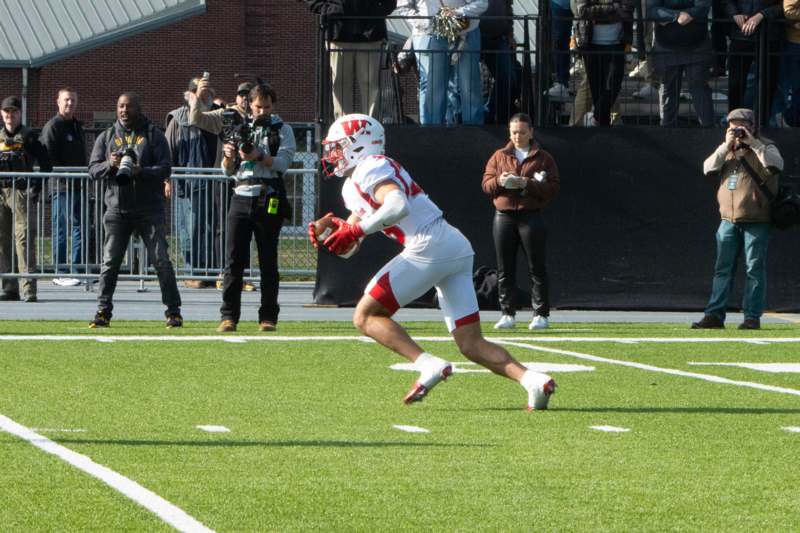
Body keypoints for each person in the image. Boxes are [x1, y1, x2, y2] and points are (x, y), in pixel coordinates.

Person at [313, 113, 556, 409]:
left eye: (338, 146)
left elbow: (397, 205)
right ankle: (533, 380)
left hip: (427, 244)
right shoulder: (353, 185)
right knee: (471, 343)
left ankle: (428, 364)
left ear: (358, 144)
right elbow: (352, 246)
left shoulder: (371, 166)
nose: (332, 154)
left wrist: (355, 229)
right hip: (451, 245)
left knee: (364, 316)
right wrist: (333, 236)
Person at [87, 93, 182, 328]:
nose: (124, 111)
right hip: (117, 210)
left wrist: (142, 171)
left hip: (149, 209)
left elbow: (166, 168)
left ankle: (173, 311)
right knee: (110, 262)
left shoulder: (153, 135)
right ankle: (102, 311)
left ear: (139, 109)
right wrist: (110, 164)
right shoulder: (107, 136)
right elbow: (92, 169)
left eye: (129, 106)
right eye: (120, 106)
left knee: (161, 260)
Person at [692, 108, 783, 330]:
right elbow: (707, 168)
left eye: (742, 125)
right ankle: (714, 315)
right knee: (722, 269)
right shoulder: (728, 149)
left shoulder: (766, 146)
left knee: (754, 269)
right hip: (728, 220)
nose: (737, 130)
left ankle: (752, 317)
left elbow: (776, 165)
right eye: (733, 126)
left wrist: (754, 144)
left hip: (757, 219)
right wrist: (726, 145)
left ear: (752, 126)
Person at [216, 83, 295, 333]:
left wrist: (259, 156)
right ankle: (229, 317)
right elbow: (227, 170)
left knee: (268, 261)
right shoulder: (239, 128)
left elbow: (283, 164)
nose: (262, 111)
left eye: (267, 107)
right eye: (258, 106)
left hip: (267, 196)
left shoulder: (282, 130)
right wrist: (228, 155)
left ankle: (268, 317)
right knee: (233, 261)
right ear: (249, 104)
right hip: (240, 196)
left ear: (274, 106)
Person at [481, 113, 560, 330]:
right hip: (504, 217)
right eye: (514, 132)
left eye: (522, 132)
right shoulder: (499, 156)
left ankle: (541, 314)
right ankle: (507, 313)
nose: (517, 136)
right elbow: (486, 185)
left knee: (537, 267)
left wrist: (526, 184)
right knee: (505, 267)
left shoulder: (544, 158)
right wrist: (500, 180)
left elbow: (553, 188)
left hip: (531, 216)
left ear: (531, 132)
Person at [165, 77, 222, 289]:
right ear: (190, 94)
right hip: (187, 182)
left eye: (208, 93)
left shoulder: (216, 115)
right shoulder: (178, 118)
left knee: (212, 227)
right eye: (201, 93)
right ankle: (193, 271)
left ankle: (210, 271)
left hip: (215, 182)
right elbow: (168, 150)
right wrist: (167, 180)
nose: (206, 97)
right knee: (191, 228)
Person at [395, 0, 488, 124]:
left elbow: (482, 3)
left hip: (466, 32)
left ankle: (474, 130)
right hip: (430, 34)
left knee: (469, 84)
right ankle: (431, 131)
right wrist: (426, 22)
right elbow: (403, 6)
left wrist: (457, 13)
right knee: (433, 86)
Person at [307, 0, 398, 118]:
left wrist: (376, 12)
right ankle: (344, 127)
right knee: (341, 84)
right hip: (339, 36)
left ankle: (369, 126)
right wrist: (328, 9)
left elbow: (391, 3)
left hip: (371, 36)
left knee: (370, 85)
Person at [0, 96, 51, 302]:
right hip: (1, 192)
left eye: (14, 112)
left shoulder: (29, 137)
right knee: (2, 241)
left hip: (21, 192)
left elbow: (46, 164)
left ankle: (28, 289)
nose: (10, 116)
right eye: (6, 112)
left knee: (23, 240)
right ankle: (9, 287)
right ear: (2, 114)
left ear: (20, 114)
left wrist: (36, 188)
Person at [40, 87, 87, 286]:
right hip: (60, 186)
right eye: (66, 100)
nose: (70, 104)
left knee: (79, 227)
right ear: (58, 102)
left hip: (79, 185)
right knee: (60, 228)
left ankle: (77, 270)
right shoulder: (53, 126)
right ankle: (60, 271)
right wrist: (62, 176)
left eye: (73, 101)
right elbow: (48, 157)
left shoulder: (76, 126)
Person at [648, 0, 715, 127]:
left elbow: (702, 9)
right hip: (666, 46)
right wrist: (677, 15)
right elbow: (652, 11)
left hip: (697, 46)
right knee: (668, 90)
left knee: (699, 90)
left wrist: (667, 16)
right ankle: (666, 132)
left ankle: (708, 130)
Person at [574, 0, 635, 126]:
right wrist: (613, 9)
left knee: (613, 86)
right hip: (590, 45)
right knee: (597, 91)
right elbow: (583, 11)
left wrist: (597, 13)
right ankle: (602, 129)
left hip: (617, 44)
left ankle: (596, 117)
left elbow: (627, 10)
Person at [725, 0, 784, 121]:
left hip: (769, 36)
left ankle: (762, 123)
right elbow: (726, 2)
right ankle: (735, 123)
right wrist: (735, 14)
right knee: (736, 83)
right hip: (741, 36)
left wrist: (761, 15)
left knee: (767, 84)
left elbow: (784, 5)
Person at [479, 0, 517, 123]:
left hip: (499, 37)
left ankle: (495, 116)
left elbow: (508, 8)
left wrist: (510, 34)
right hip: (474, 35)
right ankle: (466, 118)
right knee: (466, 81)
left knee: (507, 78)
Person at [548, 0, 574, 99]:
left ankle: (562, 82)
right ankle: (562, 82)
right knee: (561, 41)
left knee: (561, 41)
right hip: (561, 4)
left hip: (562, 5)